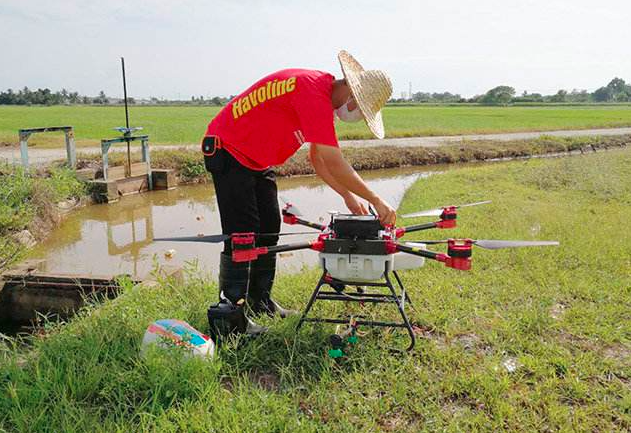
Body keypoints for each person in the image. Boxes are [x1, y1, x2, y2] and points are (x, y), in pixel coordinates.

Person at [202, 50, 396, 334]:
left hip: (255, 159)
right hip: (229, 149)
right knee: (243, 235)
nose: (355, 117)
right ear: (352, 99)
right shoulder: (312, 91)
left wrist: (348, 196)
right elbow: (333, 159)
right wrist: (376, 200)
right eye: (361, 111)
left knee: (269, 228)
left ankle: (260, 300)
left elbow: (317, 158)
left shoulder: (321, 99)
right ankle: (231, 320)